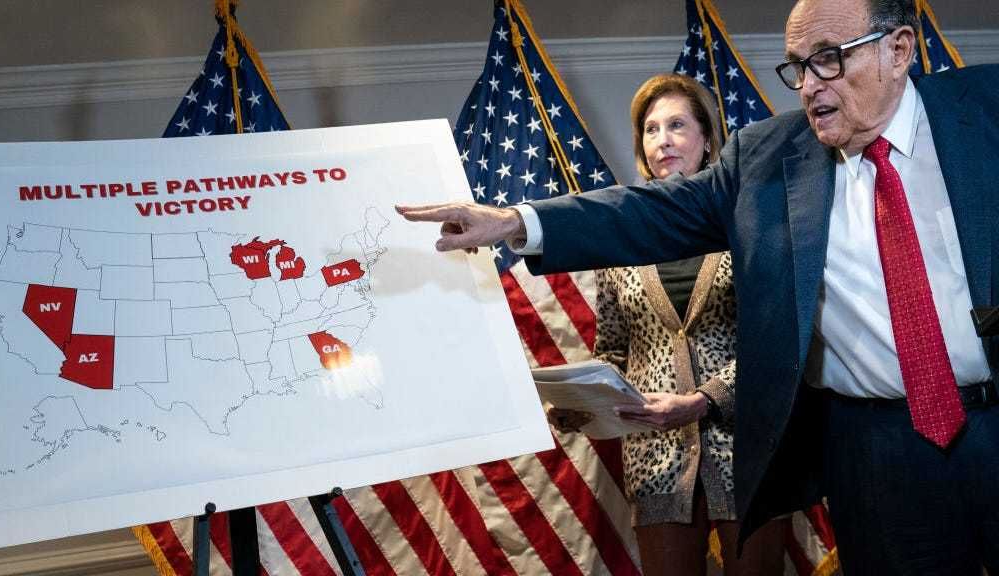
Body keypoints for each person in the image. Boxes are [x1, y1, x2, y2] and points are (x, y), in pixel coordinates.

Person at [399, 0, 999, 573]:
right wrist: (515, 221)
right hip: (875, 454)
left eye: (828, 58)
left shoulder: (987, 109)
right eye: (797, 66)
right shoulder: (766, 159)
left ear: (898, 50)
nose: (809, 85)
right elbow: (648, 212)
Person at [548, 73, 787, 575]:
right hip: (655, 458)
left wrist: (705, 399)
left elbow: (776, 342)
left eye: (677, 125)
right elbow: (613, 350)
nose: (663, 140)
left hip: (749, 449)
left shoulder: (749, 222)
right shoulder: (621, 237)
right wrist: (581, 403)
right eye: (651, 130)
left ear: (707, 139)